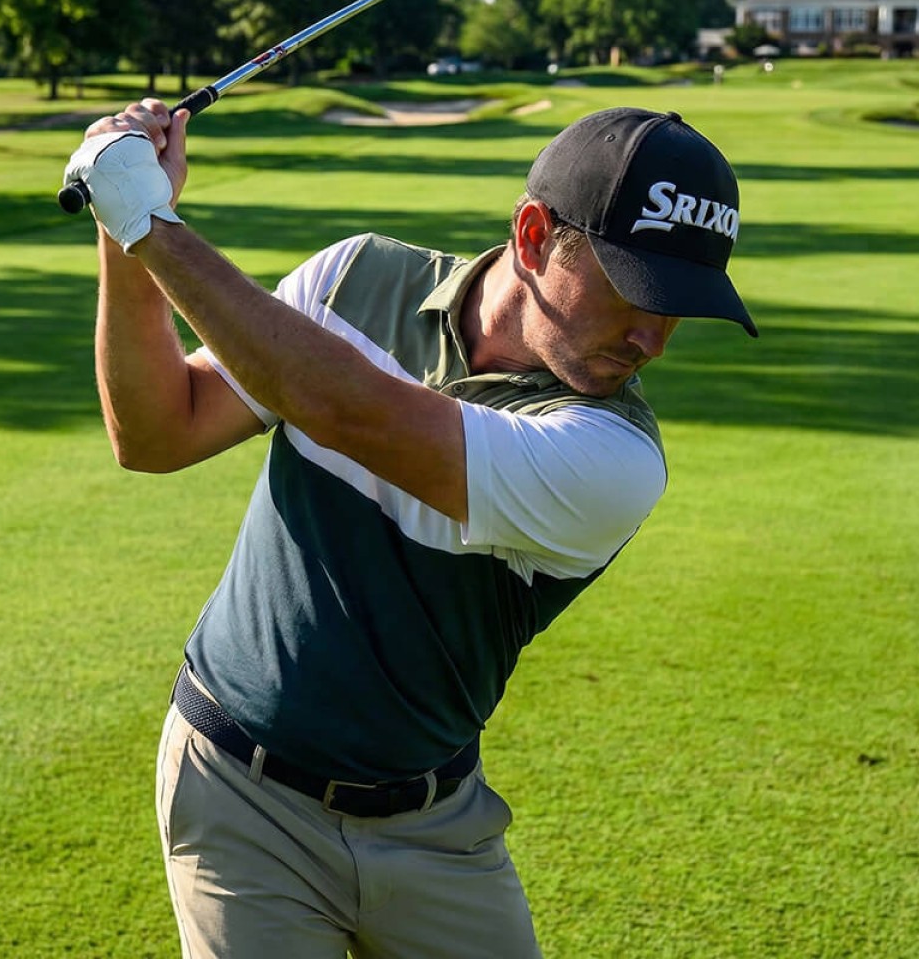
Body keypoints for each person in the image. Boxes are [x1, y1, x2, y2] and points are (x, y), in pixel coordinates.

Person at [64, 99, 757, 959]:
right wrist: (123, 229)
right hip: (238, 798)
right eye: (633, 291)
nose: (654, 338)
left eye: (679, 306)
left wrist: (149, 220)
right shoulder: (354, 278)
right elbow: (157, 434)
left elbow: (352, 411)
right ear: (534, 237)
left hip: (439, 832)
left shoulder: (613, 456)